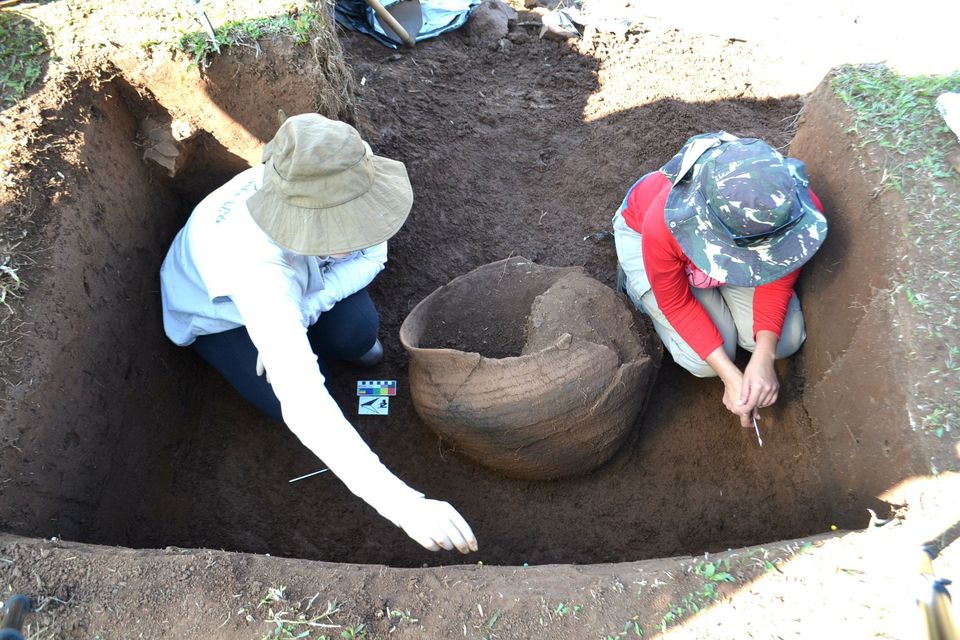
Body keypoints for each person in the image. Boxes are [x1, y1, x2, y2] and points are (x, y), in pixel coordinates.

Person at [160, 112, 477, 554]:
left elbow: (373, 257)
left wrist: (308, 309)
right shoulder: (254, 267)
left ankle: (333, 366)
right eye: (346, 226)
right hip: (223, 317)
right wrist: (406, 506)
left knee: (358, 329)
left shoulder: (332, 178)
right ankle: (314, 366)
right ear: (304, 223)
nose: (361, 232)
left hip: (302, 289)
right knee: (279, 398)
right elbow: (304, 403)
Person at [612, 132, 828, 429]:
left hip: (729, 254)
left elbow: (776, 278)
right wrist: (729, 374)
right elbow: (675, 302)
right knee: (704, 363)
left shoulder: (792, 212)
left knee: (785, 340)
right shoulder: (665, 220)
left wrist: (763, 358)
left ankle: (726, 304)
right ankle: (636, 286)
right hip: (644, 235)